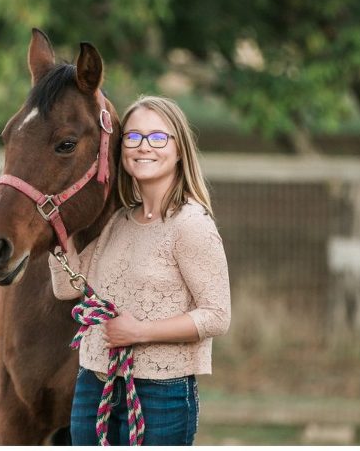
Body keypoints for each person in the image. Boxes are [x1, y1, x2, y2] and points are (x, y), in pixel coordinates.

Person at [49, 95, 231, 446]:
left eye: (157, 137)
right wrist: (59, 231)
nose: (143, 146)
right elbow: (70, 288)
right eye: (132, 137)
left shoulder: (191, 224)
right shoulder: (119, 221)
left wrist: (140, 331)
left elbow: (216, 316)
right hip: (95, 382)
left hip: (160, 393)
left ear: (179, 150)